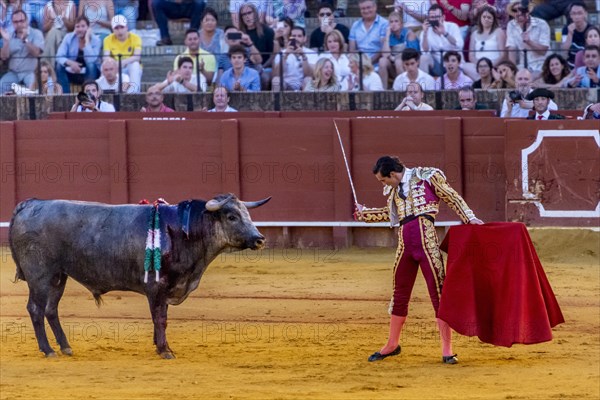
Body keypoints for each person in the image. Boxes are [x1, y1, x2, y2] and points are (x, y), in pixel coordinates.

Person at [355, 156, 483, 364]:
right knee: (399, 294)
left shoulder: (428, 176)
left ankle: (447, 349)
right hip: (404, 244)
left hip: (427, 242)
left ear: (393, 174)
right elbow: (391, 214)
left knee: (438, 293)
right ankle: (392, 344)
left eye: (383, 180)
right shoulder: (394, 190)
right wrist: (365, 214)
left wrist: (470, 218)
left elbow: (452, 197)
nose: (383, 185)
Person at [0, 10, 44, 91]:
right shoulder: (9, 35)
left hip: (30, 73)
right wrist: (6, 42)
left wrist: (25, 39)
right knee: (1, 86)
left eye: (21, 21)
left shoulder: (36, 33)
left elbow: (37, 53)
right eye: (16, 22)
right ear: (12, 23)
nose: (19, 24)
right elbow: (3, 57)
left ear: (27, 21)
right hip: (13, 73)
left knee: (32, 91)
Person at [55, 15, 101, 93]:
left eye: (83, 26)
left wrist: (87, 40)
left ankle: (88, 96)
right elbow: (59, 56)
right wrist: (71, 63)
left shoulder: (96, 40)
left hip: (90, 73)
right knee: (59, 66)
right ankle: (66, 96)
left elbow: (91, 59)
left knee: (91, 65)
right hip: (72, 71)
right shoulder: (68, 37)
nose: (80, 29)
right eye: (77, 26)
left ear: (88, 27)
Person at [505, 0, 550, 77]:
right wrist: (512, 70)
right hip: (523, 66)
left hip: (542, 65)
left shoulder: (541, 24)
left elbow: (543, 51)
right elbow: (511, 49)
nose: (519, 13)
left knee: (528, 80)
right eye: (515, 10)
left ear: (528, 11)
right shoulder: (511, 25)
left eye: (522, 9)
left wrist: (529, 42)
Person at [420, 4, 463, 77]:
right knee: (424, 58)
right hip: (438, 66)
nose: (434, 19)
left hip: (455, 65)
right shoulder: (425, 31)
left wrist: (444, 33)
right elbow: (425, 52)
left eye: (437, 17)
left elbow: (459, 45)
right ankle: (424, 85)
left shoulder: (452, 26)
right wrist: (425, 34)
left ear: (443, 17)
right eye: (432, 17)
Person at [238, 3, 275, 89]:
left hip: (265, 66)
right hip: (245, 66)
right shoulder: (240, 33)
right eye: (243, 14)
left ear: (255, 14)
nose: (247, 16)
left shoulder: (268, 31)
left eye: (249, 13)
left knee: (264, 78)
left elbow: (271, 55)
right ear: (241, 18)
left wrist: (262, 67)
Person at [379, 10, 419, 89]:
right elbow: (385, 55)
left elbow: (412, 55)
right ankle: (383, 90)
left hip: (408, 65)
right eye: (391, 22)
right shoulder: (389, 35)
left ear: (401, 23)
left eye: (396, 21)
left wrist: (394, 58)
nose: (393, 24)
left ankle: (405, 88)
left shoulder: (409, 34)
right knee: (382, 61)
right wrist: (387, 36)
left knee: (398, 61)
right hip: (393, 65)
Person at [103, 15, 142, 93]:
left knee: (135, 65)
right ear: (113, 29)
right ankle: (107, 92)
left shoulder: (136, 38)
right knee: (105, 66)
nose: (119, 30)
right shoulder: (107, 39)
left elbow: (137, 57)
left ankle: (133, 93)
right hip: (115, 67)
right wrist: (114, 64)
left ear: (126, 27)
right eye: (116, 28)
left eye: (121, 27)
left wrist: (122, 62)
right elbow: (105, 57)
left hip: (129, 65)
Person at [271, 26, 317, 91]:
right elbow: (276, 74)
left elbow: (311, 75)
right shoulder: (282, 53)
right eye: (294, 36)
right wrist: (285, 56)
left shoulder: (312, 53)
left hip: (303, 85)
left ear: (304, 38)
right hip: (286, 85)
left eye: (299, 36)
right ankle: (276, 101)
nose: (296, 38)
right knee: (276, 80)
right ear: (290, 38)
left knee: (308, 80)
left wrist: (304, 56)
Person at [348, 0, 388, 69]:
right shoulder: (355, 25)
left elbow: (382, 49)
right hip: (358, 65)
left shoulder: (384, 24)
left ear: (375, 7)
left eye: (368, 7)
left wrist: (368, 63)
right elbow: (352, 50)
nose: (366, 11)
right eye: (363, 9)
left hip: (376, 65)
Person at [560, 2, 591, 70]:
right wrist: (570, 33)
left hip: (588, 64)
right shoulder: (566, 29)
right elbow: (564, 49)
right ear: (570, 15)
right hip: (570, 65)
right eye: (574, 13)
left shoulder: (591, 29)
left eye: (579, 13)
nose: (577, 17)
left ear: (585, 14)